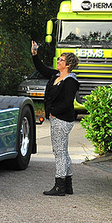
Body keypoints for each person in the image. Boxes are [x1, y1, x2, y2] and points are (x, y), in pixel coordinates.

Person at [31, 41, 80, 196]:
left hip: (62, 119)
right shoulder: (55, 76)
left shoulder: (70, 81)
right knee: (63, 152)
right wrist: (35, 54)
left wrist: (53, 112)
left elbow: (67, 102)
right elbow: (41, 68)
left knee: (59, 152)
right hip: (56, 118)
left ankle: (59, 187)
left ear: (68, 64)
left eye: (61, 60)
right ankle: (68, 186)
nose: (58, 61)